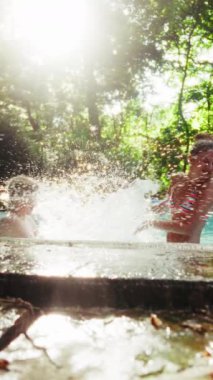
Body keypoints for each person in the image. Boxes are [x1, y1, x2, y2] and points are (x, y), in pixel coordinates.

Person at [135, 133, 213, 243]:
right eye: (206, 161)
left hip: (190, 255)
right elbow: (171, 206)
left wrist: (150, 223)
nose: (210, 167)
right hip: (171, 251)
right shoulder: (177, 181)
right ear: (191, 159)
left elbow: (189, 228)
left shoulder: (209, 187)